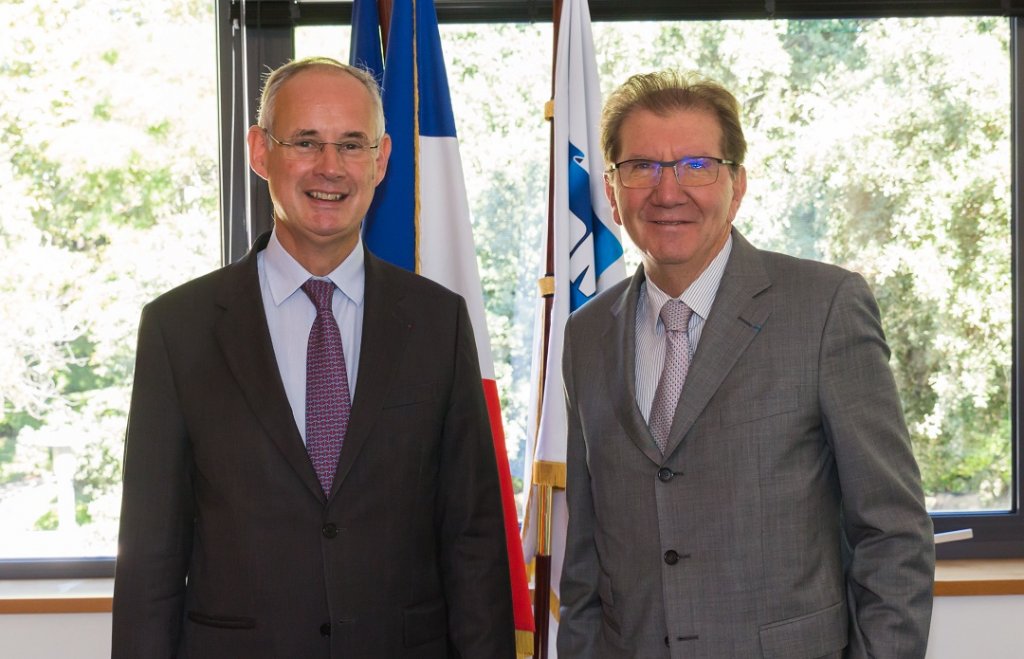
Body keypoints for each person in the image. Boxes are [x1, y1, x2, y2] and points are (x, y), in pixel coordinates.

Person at [111, 57, 515, 658]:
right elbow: (151, 559)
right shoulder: (179, 329)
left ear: (380, 160)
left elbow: (473, 542)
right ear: (258, 151)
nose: (330, 167)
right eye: (305, 142)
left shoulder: (437, 321)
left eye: (352, 144)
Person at [557, 70, 934, 658]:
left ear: (738, 185)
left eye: (696, 165)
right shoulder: (586, 335)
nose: (667, 191)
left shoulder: (825, 308)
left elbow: (893, 534)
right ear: (610, 190)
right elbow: (585, 551)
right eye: (641, 167)